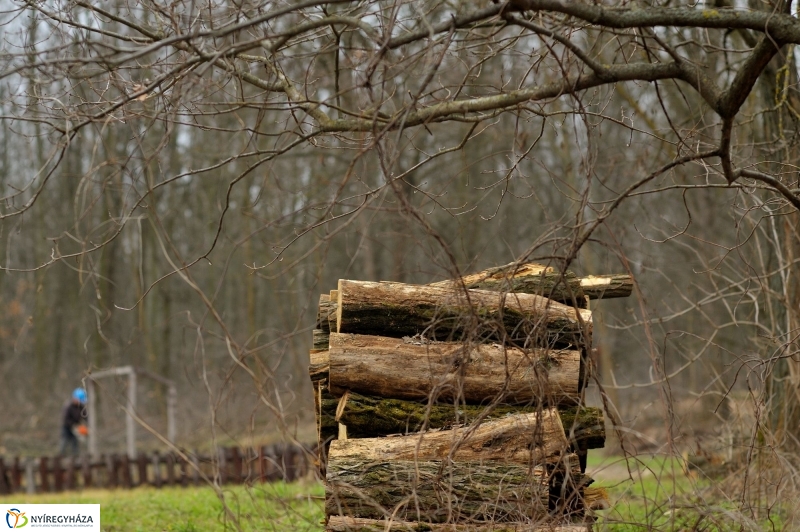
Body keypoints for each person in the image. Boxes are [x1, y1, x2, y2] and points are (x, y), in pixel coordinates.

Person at [59, 388, 88, 456]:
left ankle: (75, 456)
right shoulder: (68, 406)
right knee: (64, 442)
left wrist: (87, 425)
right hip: (67, 427)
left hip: (76, 427)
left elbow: (85, 416)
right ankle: (61, 455)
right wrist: (73, 425)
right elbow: (65, 418)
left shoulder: (81, 407)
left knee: (75, 443)